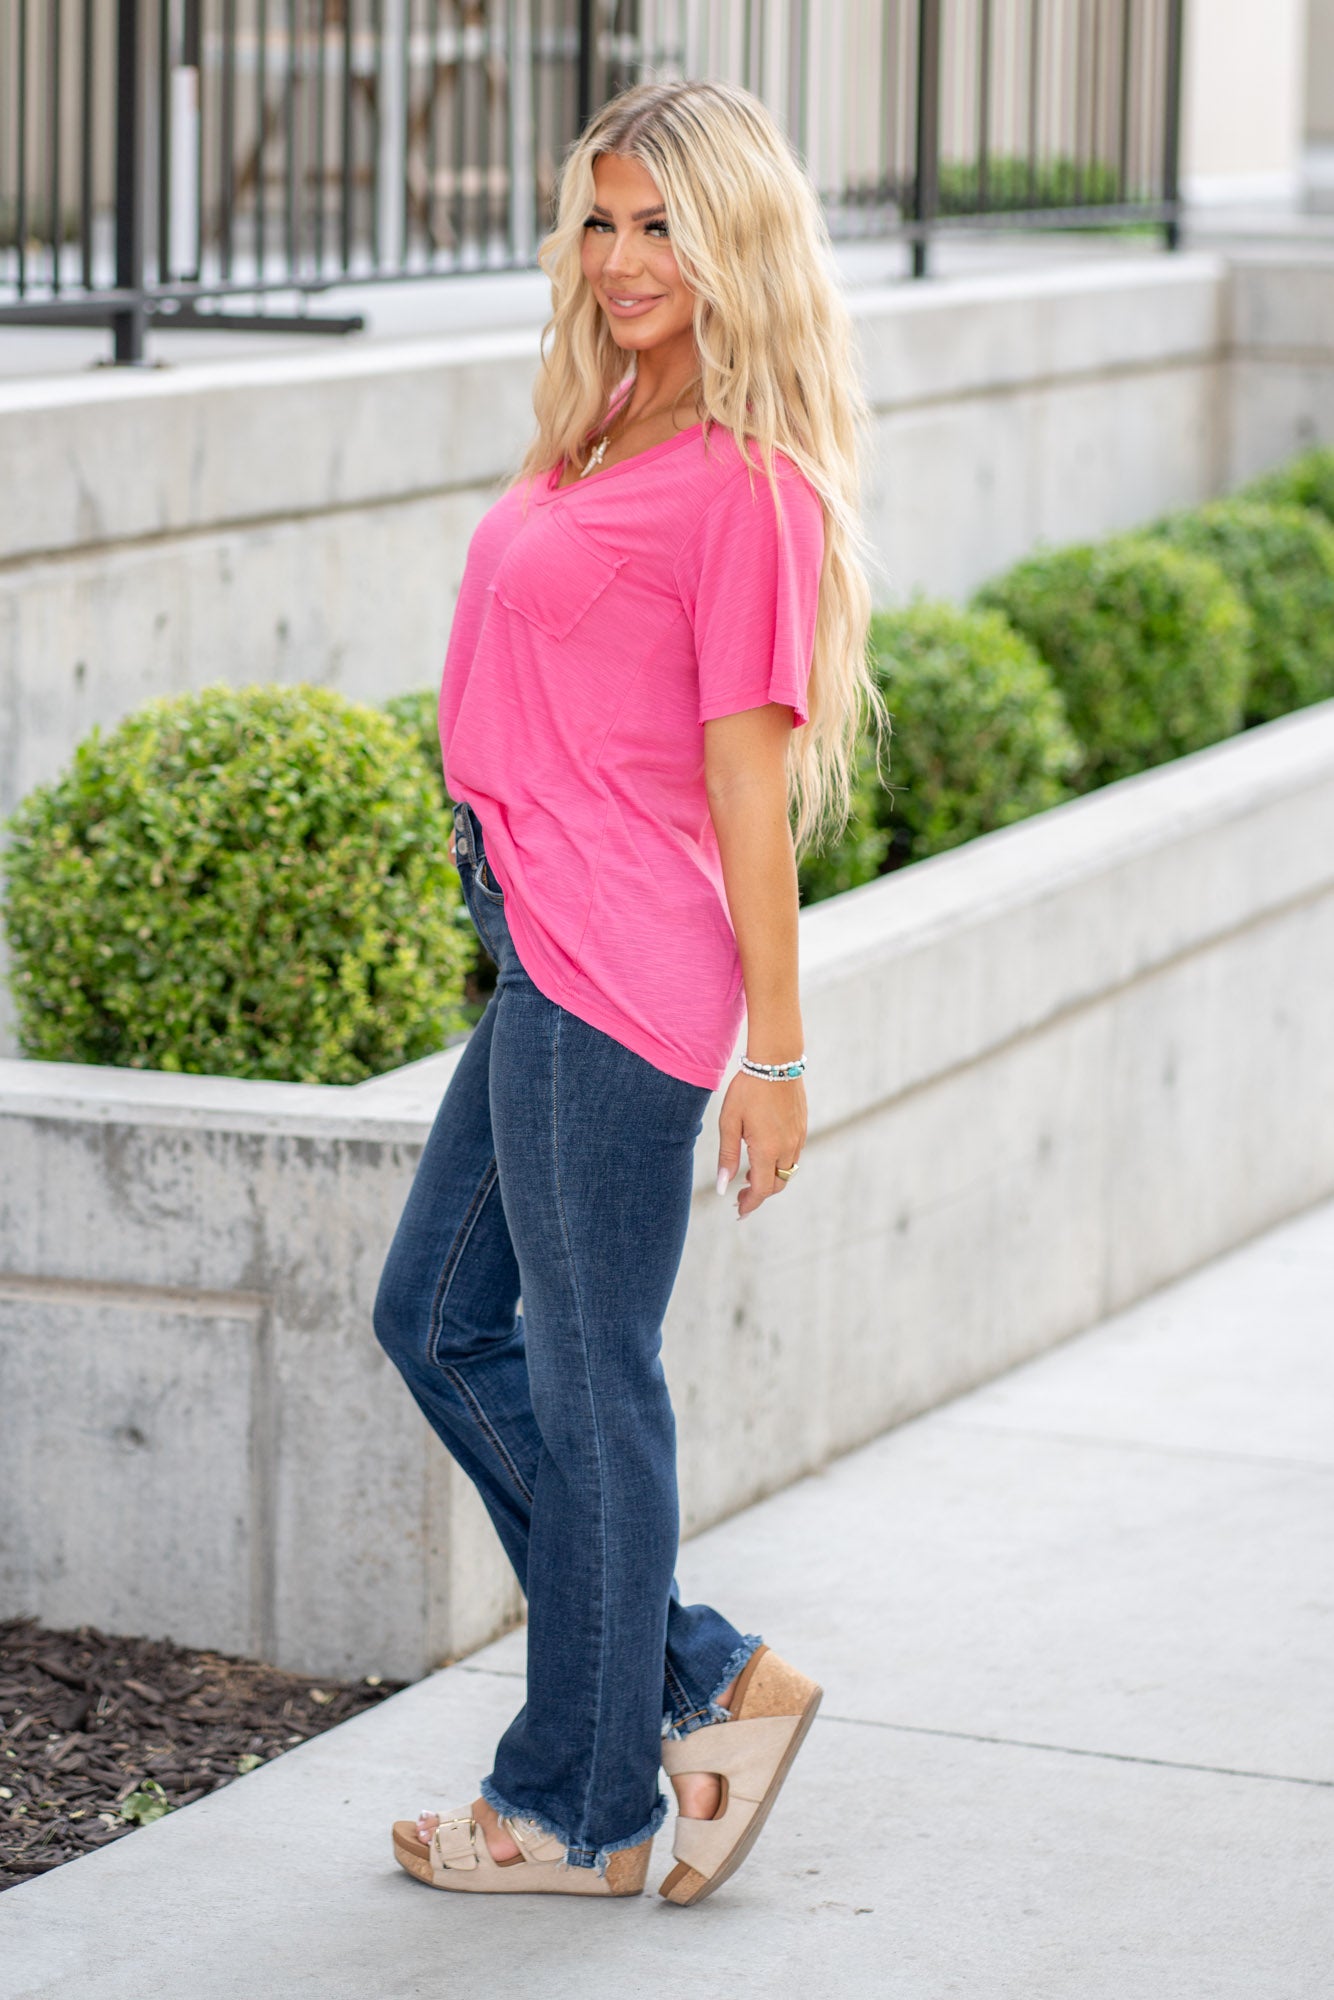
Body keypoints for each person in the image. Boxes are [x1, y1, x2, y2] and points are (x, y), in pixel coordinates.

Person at [373, 76, 879, 1906]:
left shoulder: (745, 482)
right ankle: (700, 1678)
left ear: (736, 240)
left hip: (617, 981)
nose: (619, 257)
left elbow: (750, 781)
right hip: (541, 947)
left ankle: (576, 1805)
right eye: (599, 219)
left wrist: (780, 1058)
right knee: (436, 1322)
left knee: (593, 1385)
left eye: (660, 224)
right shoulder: (602, 417)